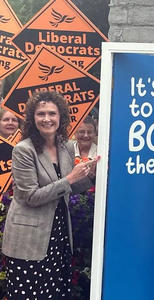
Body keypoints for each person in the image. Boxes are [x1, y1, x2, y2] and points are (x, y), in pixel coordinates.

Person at [2, 91, 100, 300]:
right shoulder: (23, 150)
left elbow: (66, 188)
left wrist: (91, 176)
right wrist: (71, 178)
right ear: (32, 118)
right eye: (41, 114)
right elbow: (31, 196)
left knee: (55, 294)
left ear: (61, 117)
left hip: (58, 237)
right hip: (29, 241)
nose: (47, 119)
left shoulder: (64, 146)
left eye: (52, 113)